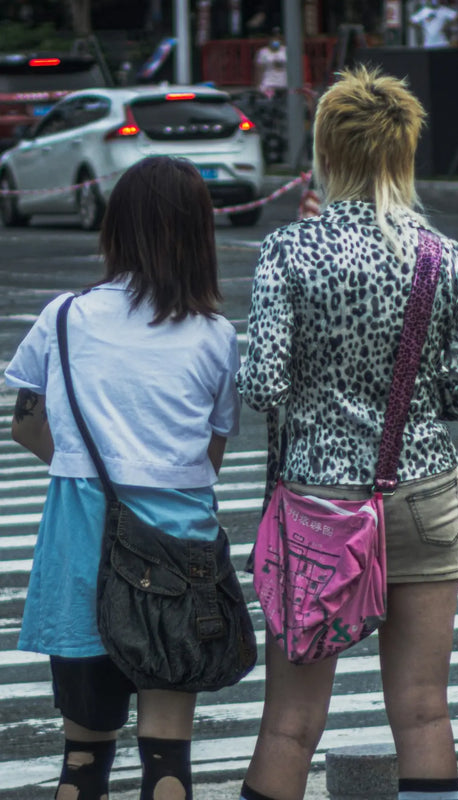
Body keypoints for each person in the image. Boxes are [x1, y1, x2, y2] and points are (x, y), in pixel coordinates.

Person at [236, 66, 458, 800]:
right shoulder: (443, 258)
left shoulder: (290, 252)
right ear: (403, 153)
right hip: (420, 492)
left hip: (319, 500)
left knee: (289, 722)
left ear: (327, 150)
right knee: (422, 711)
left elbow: (260, 385)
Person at [4, 156, 241, 800]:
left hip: (81, 550)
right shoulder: (217, 337)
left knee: (83, 758)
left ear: (117, 227)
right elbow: (208, 456)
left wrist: (83, 458)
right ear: (199, 234)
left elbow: (25, 424)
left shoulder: (64, 317)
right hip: (180, 556)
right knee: (169, 761)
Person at [255, 27, 288, 97]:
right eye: (274, 38)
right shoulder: (263, 52)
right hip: (268, 84)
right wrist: (258, 85)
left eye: (278, 38)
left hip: (284, 84)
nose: (276, 40)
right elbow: (259, 70)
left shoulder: (286, 51)